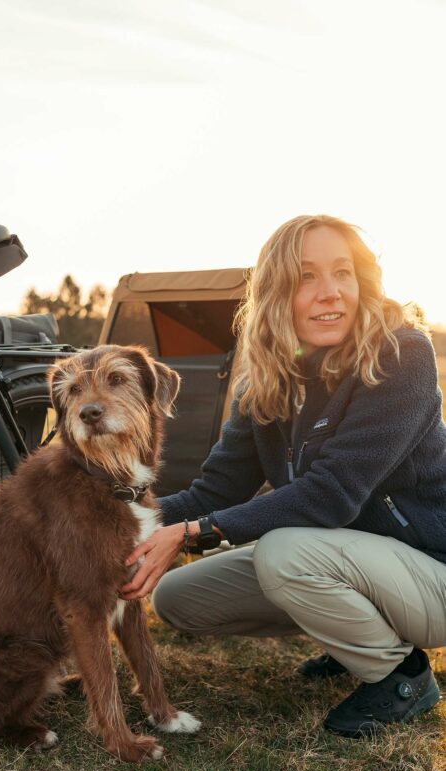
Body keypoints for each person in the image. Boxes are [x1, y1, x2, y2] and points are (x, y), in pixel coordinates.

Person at [120, 214, 445, 738]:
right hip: (358, 562)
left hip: (435, 571)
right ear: (277, 293)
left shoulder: (401, 355)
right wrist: (121, 521)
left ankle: (400, 677)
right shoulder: (269, 382)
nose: (330, 293)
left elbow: (331, 495)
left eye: (343, 273)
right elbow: (215, 490)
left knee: (284, 551)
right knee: (177, 599)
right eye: (306, 277)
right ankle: (351, 640)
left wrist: (191, 532)